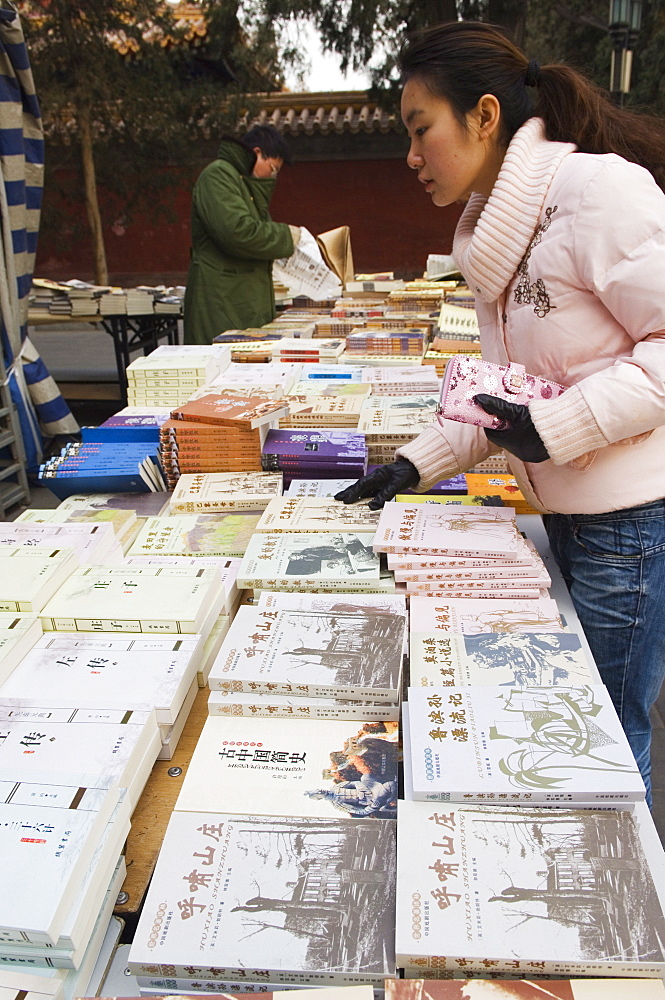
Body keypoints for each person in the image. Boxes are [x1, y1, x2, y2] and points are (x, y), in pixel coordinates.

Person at [336, 20, 665, 804]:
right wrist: (416, 462)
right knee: (565, 723)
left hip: (629, 527)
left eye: (421, 131)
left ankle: (631, 914)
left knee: (608, 740)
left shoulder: (597, 193)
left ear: (484, 115)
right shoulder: (494, 225)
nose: (410, 158)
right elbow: (505, 390)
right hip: (564, 513)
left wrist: (554, 429)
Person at [183, 124, 300, 344]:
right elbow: (238, 232)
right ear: (257, 153)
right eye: (273, 169)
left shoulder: (244, 185)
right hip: (220, 303)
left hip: (239, 300)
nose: (273, 177)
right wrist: (287, 236)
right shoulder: (218, 175)